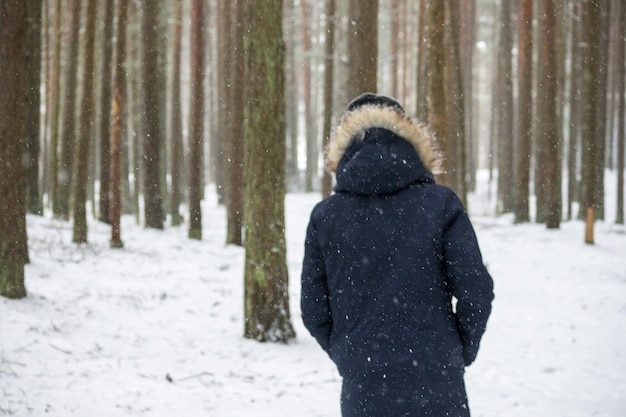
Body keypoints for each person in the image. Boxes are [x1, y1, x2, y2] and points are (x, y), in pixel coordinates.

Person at [300, 93, 494, 417]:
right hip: (438, 382)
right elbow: (476, 290)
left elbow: (313, 310)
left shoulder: (326, 216)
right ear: (408, 138)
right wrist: (457, 351)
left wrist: (348, 354)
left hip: (364, 388)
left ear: (343, 147)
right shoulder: (440, 204)